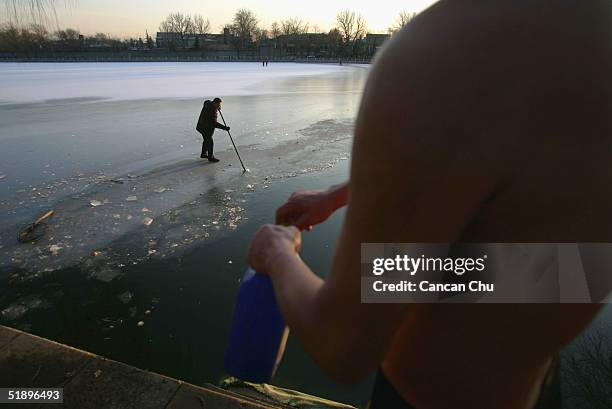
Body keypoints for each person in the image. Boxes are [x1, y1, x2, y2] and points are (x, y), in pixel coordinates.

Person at [247, 1, 608, 408]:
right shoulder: (590, 25)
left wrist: (277, 254)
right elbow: (554, 242)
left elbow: (342, 346)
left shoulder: (447, 48)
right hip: (538, 380)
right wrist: (345, 193)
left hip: (426, 396)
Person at [196, 97, 229, 163]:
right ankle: (210, 157)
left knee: (206, 140)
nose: (219, 106)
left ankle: (203, 154)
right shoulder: (211, 111)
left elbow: (206, 101)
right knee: (210, 141)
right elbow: (214, 123)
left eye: (219, 105)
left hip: (201, 126)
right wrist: (225, 128)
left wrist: (217, 107)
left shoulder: (209, 103)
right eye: (218, 105)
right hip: (204, 127)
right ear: (214, 103)